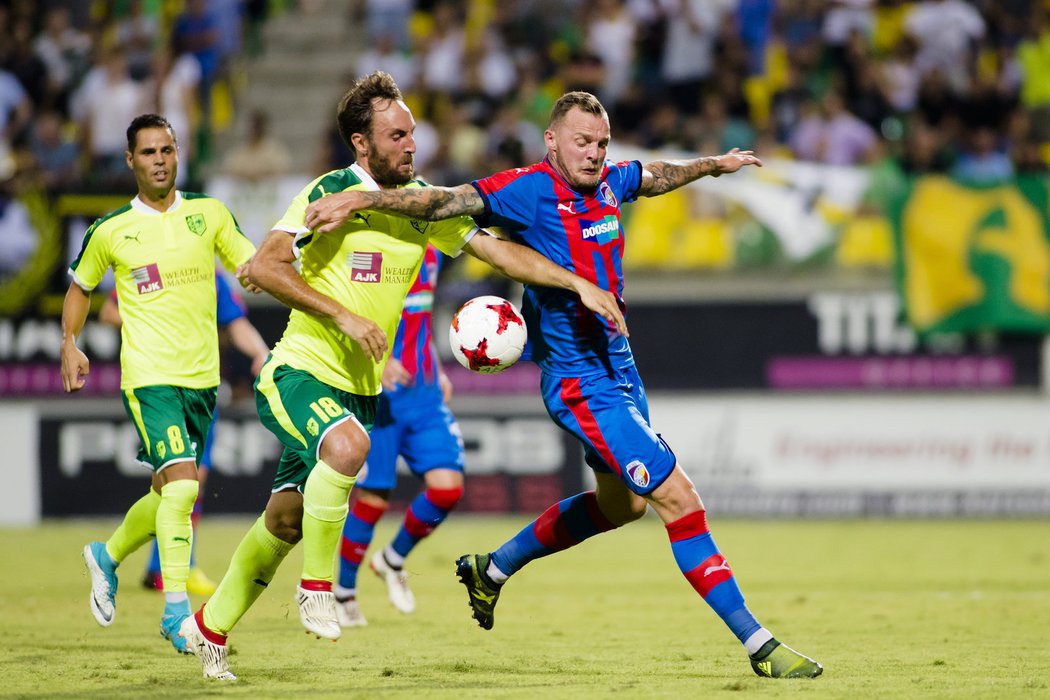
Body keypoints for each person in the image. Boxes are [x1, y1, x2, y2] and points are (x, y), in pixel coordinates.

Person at [302, 90, 824, 680]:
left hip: (621, 370)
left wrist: (713, 165)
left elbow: (652, 176)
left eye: (601, 142)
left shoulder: (608, 184)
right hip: (581, 383)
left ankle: (491, 570)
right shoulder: (526, 189)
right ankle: (761, 646)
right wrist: (362, 198)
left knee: (621, 506)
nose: (595, 153)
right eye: (582, 142)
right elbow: (446, 201)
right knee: (679, 500)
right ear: (552, 141)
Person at [176, 71, 626, 681]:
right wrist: (343, 315)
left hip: (359, 391)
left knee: (284, 517)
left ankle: (208, 629)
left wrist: (578, 282)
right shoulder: (331, 190)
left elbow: (497, 251)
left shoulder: (420, 206)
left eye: (412, 133)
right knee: (349, 447)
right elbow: (264, 266)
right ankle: (320, 588)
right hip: (300, 372)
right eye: (396, 135)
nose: (411, 145)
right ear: (361, 144)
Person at [60, 113, 257, 654]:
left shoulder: (209, 214)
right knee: (185, 487)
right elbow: (79, 286)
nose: (160, 159)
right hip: (149, 379)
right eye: (148, 152)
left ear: (178, 152)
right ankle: (176, 616)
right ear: (131, 160)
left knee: (165, 494)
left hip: (203, 380)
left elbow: (251, 264)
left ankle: (105, 556)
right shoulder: (112, 229)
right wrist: (69, 341)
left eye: (167, 149)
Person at [99, 270, 270, 596]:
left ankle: (160, 567)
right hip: (158, 386)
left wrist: (261, 352)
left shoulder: (211, 276)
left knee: (192, 480)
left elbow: (235, 323)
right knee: (177, 480)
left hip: (201, 387)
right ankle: (164, 567)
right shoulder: (151, 266)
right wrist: (158, 318)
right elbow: (109, 312)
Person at [334, 243, 462, 626]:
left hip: (423, 391)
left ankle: (392, 559)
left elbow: (420, 319)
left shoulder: (433, 252)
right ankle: (343, 593)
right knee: (374, 497)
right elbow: (342, 316)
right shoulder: (367, 249)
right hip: (379, 393)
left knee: (448, 487)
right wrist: (379, 360)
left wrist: (437, 367)